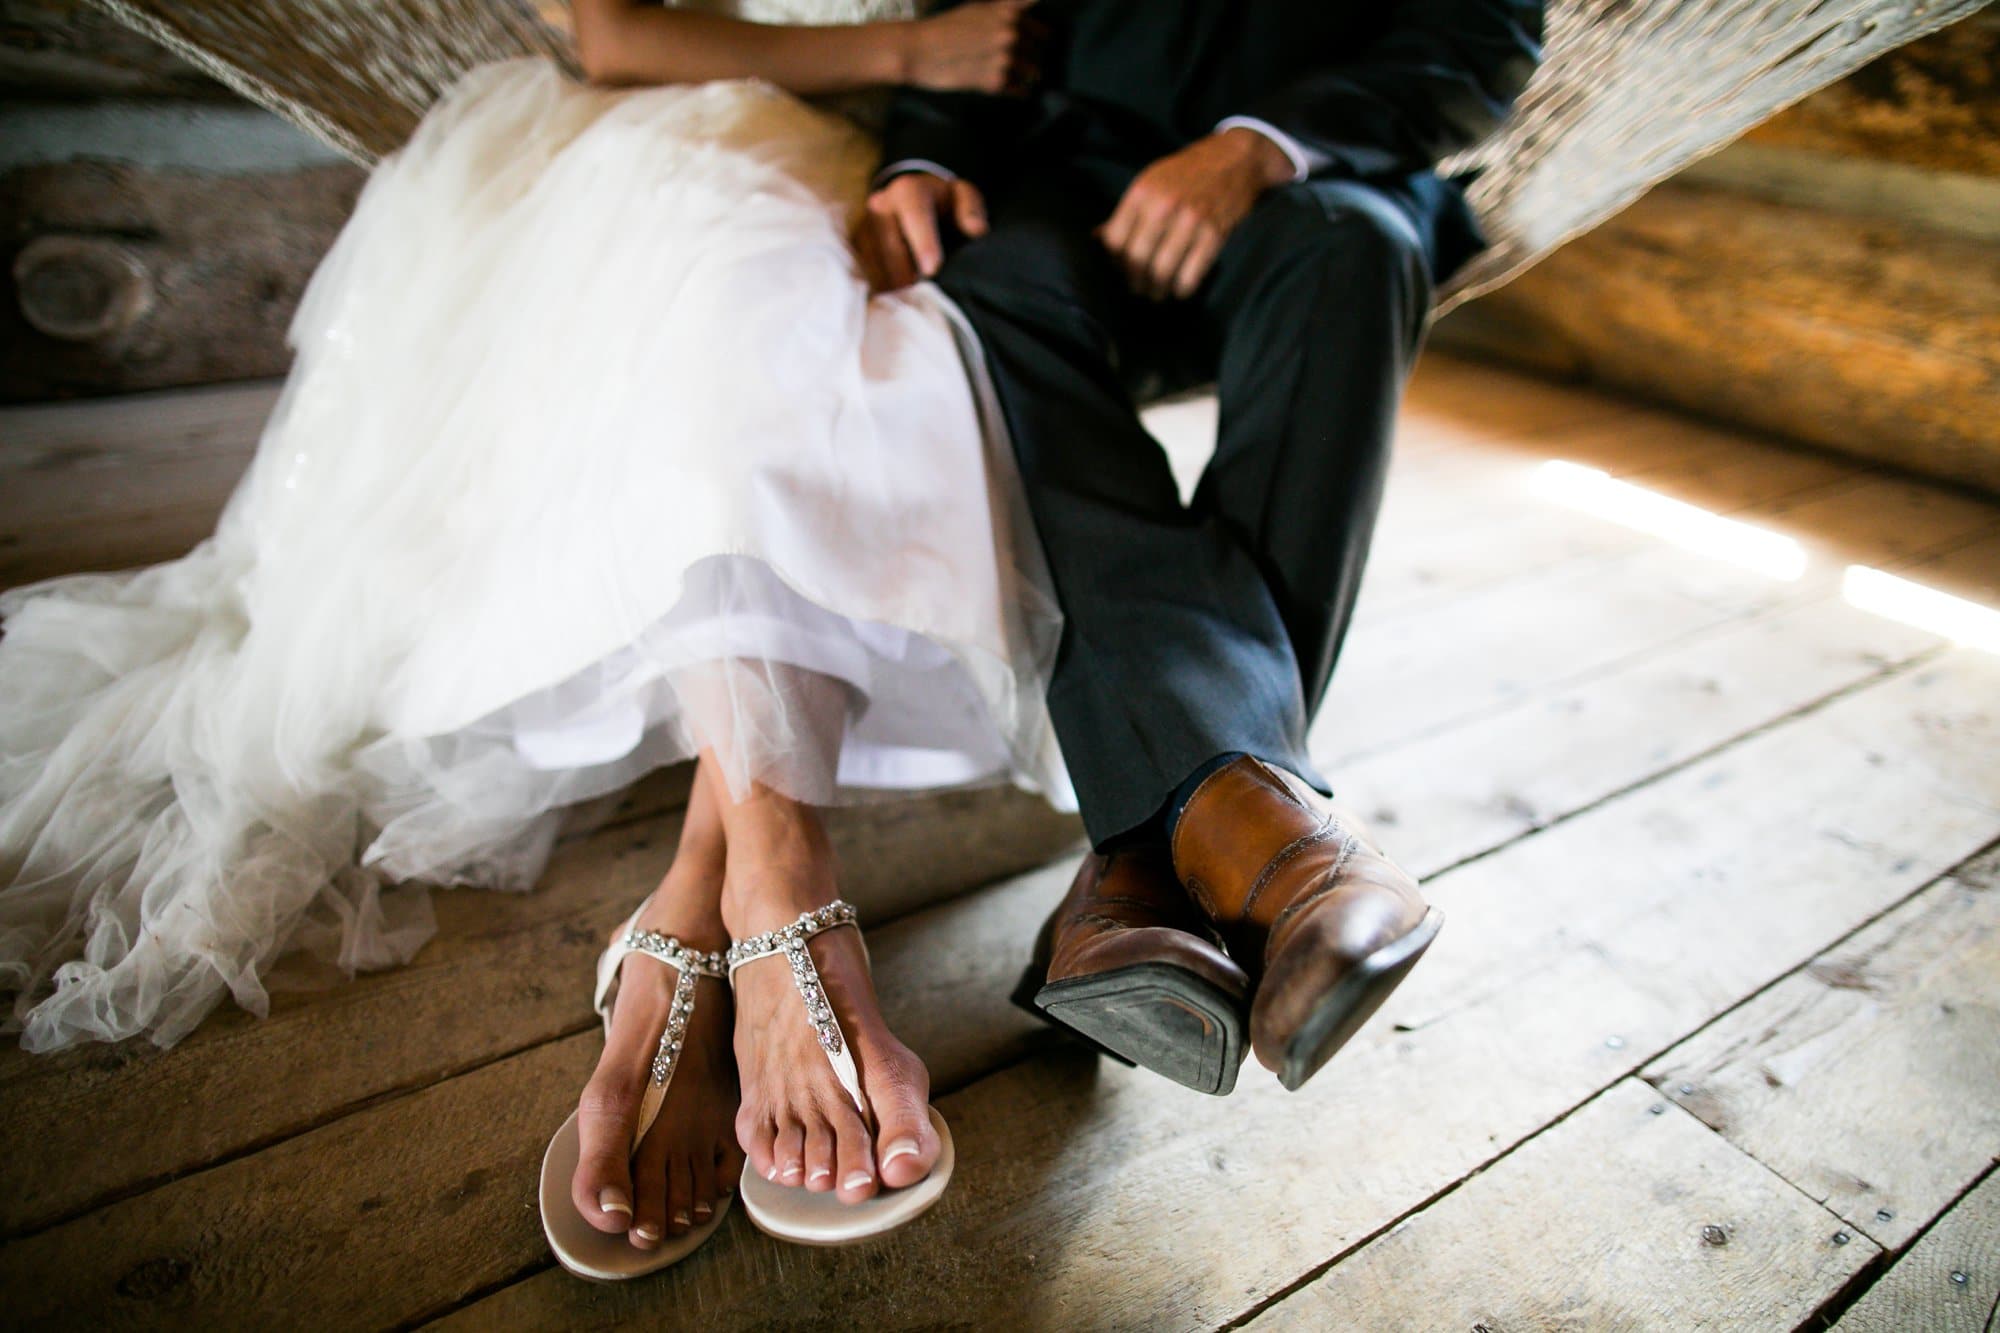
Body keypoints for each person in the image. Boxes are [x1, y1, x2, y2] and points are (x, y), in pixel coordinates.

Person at [0, 0, 1063, 1278]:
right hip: (681, 137)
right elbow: (611, 33)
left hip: (910, 177)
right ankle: (774, 879)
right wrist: (913, 54)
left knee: (841, 386)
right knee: (738, 340)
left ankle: (703, 898)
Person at [855, 0, 1543, 1096]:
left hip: (1316, 176)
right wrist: (925, 153)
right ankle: (1265, 853)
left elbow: (1482, 37)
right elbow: (970, 18)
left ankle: (1139, 888)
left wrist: (1252, 147)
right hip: (1066, 177)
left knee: (1353, 255)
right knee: (983, 300)